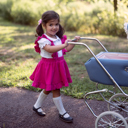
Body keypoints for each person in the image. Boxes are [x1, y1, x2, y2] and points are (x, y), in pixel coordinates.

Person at [29, 10, 80, 123]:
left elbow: (66, 49)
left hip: (58, 66)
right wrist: (63, 44)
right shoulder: (43, 40)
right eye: (50, 25)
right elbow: (50, 49)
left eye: (56, 24)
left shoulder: (58, 38)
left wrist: (73, 42)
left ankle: (37, 106)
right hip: (48, 68)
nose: (54, 27)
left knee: (48, 88)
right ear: (44, 25)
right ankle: (62, 113)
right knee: (56, 89)